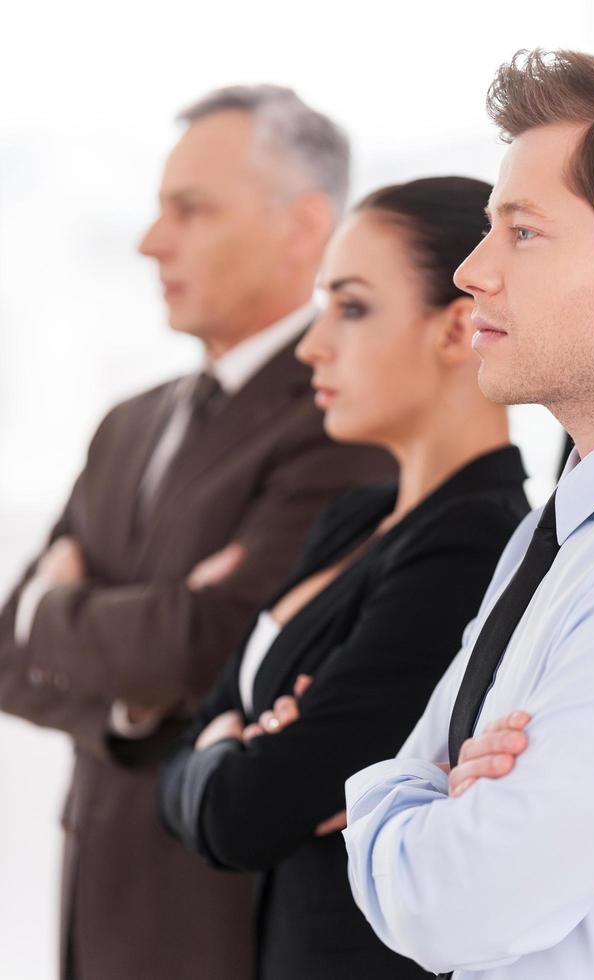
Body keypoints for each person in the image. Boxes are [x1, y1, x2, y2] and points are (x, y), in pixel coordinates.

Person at [0, 85, 393, 980]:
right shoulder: (127, 424)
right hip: (98, 917)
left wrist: (59, 609)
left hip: (225, 925)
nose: (151, 240)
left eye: (192, 209)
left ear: (304, 228)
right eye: (155, 209)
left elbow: (215, 646)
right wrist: (136, 682)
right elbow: (7, 651)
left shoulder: (350, 424)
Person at [158, 176, 530, 980]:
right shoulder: (355, 518)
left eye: (352, 307)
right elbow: (194, 769)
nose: (310, 344)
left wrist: (229, 746)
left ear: (458, 325)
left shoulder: (474, 545)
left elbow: (247, 815)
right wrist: (235, 745)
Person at [343, 47, 594, 980]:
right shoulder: (559, 527)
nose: (472, 272)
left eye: (523, 232)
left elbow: (446, 908)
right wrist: (429, 795)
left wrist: (402, 800)